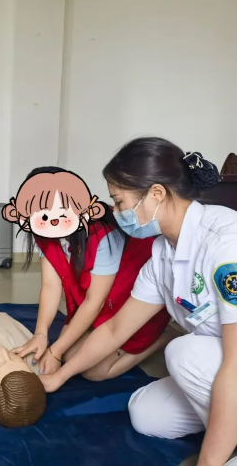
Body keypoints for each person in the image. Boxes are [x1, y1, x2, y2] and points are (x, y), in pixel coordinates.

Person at [40, 138, 237, 466]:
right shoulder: (162, 252)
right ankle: (227, 431)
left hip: (233, 361)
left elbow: (235, 364)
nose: (116, 213)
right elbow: (115, 329)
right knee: (146, 414)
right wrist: (61, 375)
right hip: (215, 357)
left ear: (156, 193)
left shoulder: (225, 244)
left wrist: (207, 462)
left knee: (183, 353)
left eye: (119, 202)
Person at [3, 167, 172, 378]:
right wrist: (41, 334)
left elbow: (95, 301)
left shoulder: (103, 233)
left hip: (126, 299)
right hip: (98, 297)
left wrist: (55, 352)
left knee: (94, 372)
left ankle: (162, 338)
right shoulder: (42, 227)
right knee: (69, 354)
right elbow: (51, 285)